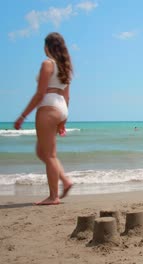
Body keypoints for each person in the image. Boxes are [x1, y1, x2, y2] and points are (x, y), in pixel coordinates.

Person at [14, 32, 73, 205]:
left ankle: (54, 196)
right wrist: (63, 119)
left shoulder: (47, 64)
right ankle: (65, 180)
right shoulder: (65, 68)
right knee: (42, 152)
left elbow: (40, 93)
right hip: (61, 107)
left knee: (49, 154)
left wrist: (23, 116)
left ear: (47, 47)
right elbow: (67, 97)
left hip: (48, 107)